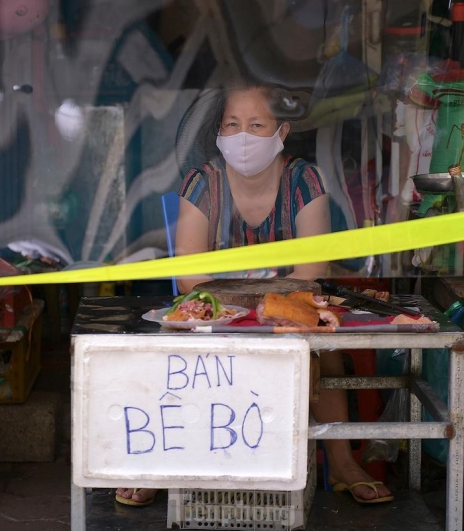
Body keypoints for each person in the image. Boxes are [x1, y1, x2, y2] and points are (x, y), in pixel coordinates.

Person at [116, 78, 393, 507]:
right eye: (232, 125)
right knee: (175, 355)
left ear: (282, 133)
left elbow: (311, 270)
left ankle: (341, 462)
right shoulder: (202, 182)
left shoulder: (305, 180)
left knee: (324, 352)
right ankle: (160, 464)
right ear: (218, 134)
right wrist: (237, 307)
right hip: (215, 311)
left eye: (257, 125)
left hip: (286, 311)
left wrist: (270, 307)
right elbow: (189, 272)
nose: (243, 136)